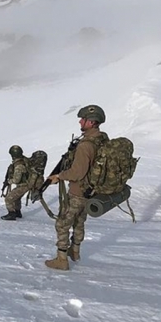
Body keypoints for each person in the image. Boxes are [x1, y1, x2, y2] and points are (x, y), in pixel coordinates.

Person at [45, 105, 109, 270]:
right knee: (79, 221)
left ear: (91, 122)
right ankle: (75, 252)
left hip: (78, 191)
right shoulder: (102, 138)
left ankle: (61, 259)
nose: (80, 121)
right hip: (92, 191)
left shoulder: (85, 145)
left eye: (83, 119)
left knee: (62, 224)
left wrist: (59, 177)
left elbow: (77, 172)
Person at [1, 145, 29, 221]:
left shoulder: (18, 165)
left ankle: (11, 214)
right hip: (26, 184)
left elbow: (16, 180)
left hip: (24, 185)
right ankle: (17, 212)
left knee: (9, 198)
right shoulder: (24, 160)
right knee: (16, 198)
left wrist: (9, 181)